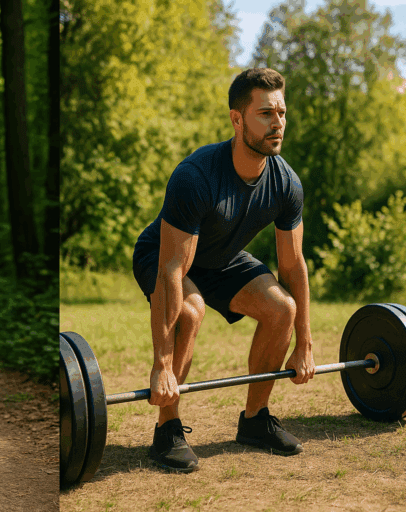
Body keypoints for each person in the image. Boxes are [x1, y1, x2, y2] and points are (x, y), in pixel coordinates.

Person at [132, 68, 316, 473]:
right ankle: (168, 429)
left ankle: (254, 420)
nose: (278, 123)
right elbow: (171, 270)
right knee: (190, 309)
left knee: (281, 309)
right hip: (162, 255)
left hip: (223, 258)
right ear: (237, 119)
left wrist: (304, 339)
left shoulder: (286, 183)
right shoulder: (195, 176)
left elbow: (293, 265)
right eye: (265, 113)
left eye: (282, 113)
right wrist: (162, 364)